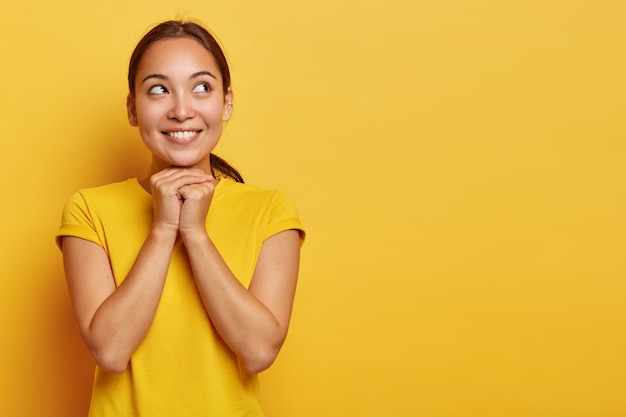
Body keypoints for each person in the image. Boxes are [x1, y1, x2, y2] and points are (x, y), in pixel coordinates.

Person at [56, 19, 305, 417]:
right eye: (159, 89)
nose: (182, 110)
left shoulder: (271, 210)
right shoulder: (89, 209)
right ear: (133, 109)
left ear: (226, 103)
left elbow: (259, 351)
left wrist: (195, 234)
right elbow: (111, 351)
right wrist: (163, 228)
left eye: (202, 87)